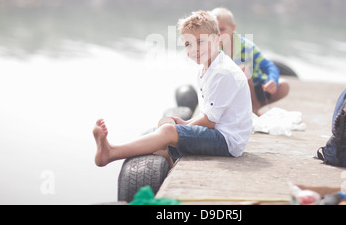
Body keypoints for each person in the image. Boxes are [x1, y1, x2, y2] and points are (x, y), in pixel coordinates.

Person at [93, 11, 253, 167]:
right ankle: (168, 159)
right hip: (217, 133)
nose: (194, 49)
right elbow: (208, 116)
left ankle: (111, 152)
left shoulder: (223, 72)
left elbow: (210, 121)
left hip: (228, 141)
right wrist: (185, 123)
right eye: (188, 44)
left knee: (168, 132)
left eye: (200, 42)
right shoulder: (206, 69)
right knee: (164, 129)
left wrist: (179, 129)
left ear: (218, 39)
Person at [210, 7, 290, 115]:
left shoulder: (248, 47)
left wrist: (272, 80)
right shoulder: (213, 48)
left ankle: (253, 107)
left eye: (222, 29)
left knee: (283, 85)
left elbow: (269, 66)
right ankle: (243, 109)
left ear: (233, 28)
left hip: (256, 89)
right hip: (231, 91)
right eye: (215, 31)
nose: (219, 35)